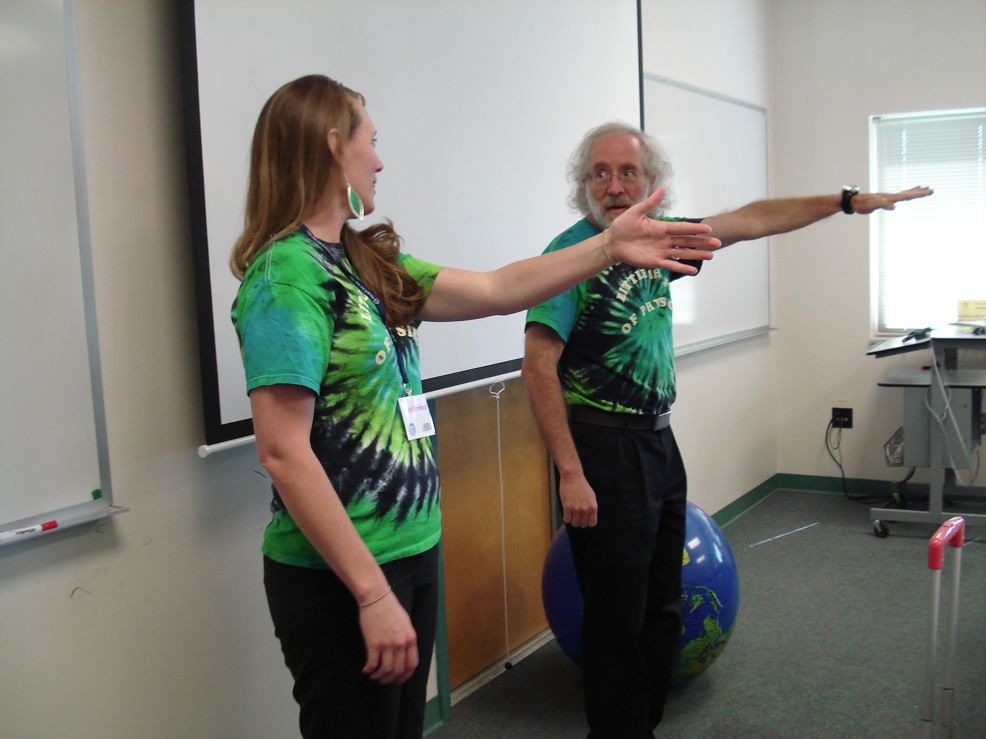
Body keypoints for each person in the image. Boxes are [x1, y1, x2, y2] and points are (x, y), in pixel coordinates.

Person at [230, 78, 721, 739]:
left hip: (409, 546)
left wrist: (607, 246)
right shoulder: (287, 276)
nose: (379, 159)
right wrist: (371, 592)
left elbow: (496, 288)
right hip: (340, 572)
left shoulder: (367, 261)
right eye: (371, 142)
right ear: (331, 145)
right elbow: (283, 451)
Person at [521, 121, 932, 739]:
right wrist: (571, 472)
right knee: (616, 619)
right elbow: (537, 365)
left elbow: (754, 219)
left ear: (651, 181)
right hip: (602, 448)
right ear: (584, 185)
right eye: (599, 173)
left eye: (627, 171)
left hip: (658, 440)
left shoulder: (664, 240)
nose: (613, 185)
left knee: (662, 606)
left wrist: (847, 203)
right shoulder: (572, 255)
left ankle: (644, 724)